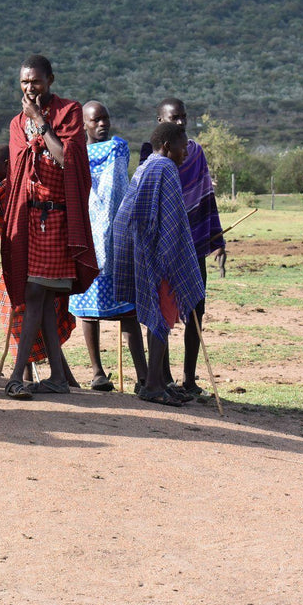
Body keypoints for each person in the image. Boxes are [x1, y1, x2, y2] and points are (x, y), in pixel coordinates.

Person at [0, 55, 97, 400]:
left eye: (36, 81)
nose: (29, 88)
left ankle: (16, 377)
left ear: (50, 80)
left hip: (58, 219)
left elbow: (65, 159)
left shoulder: (69, 111)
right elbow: (19, 170)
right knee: (38, 297)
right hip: (30, 219)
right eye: (24, 82)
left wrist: (40, 122)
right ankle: (55, 376)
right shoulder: (15, 124)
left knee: (39, 296)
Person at [113, 122, 205, 407]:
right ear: (167, 146)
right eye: (183, 145)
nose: (186, 151)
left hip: (142, 249)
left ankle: (158, 381)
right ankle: (153, 384)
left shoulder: (147, 166)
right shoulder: (164, 168)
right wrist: (171, 252)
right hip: (157, 254)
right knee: (161, 316)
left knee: (158, 315)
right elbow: (166, 218)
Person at [141, 98, 225, 398]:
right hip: (163, 249)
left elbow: (204, 196)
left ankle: (189, 379)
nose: (180, 123)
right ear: (160, 120)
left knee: (195, 311)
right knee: (163, 312)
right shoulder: (151, 156)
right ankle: (161, 379)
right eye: (173, 118)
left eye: (183, 118)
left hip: (193, 246)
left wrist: (215, 238)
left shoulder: (195, 152)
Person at [68, 101, 148, 392]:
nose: (102, 124)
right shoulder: (75, 156)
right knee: (88, 312)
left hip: (118, 240)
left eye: (105, 118)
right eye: (95, 120)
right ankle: (97, 372)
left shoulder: (118, 148)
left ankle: (143, 376)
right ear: (83, 125)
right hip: (86, 240)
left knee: (129, 312)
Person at [0, 144, 71, 385]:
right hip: (25, 261)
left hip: (25, 264)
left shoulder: (10, 189)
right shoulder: (12, 188)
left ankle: (25, 376)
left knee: (27, 320)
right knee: (38, 319)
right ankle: (48, 377)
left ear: (9, 165)